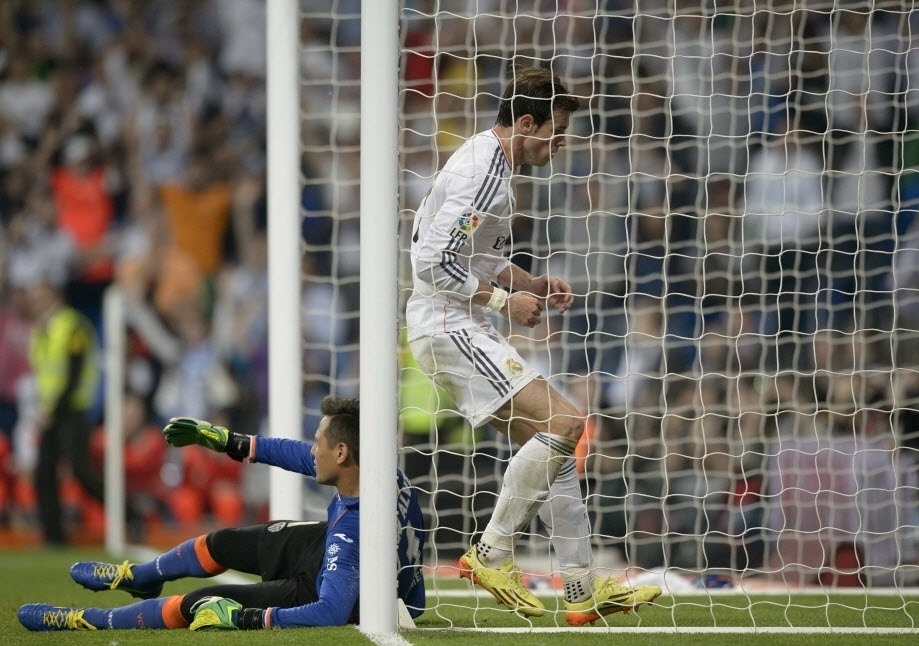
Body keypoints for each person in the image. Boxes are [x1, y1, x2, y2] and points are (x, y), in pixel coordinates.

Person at [405, 63, 661, 625]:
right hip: (448, 325)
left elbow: (478, 256)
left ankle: (579, 590)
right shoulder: (483, 172)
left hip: (455, 322)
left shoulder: (493, 163)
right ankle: (491, 551)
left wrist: (530, 283)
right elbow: (430, 261)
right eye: (557, 130)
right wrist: (502, 303)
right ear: (526, 122)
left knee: (557, 454)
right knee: (569, 424)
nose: (562, 142)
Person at [18, 395, 425, 631]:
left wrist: (247, 618)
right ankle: (137, 577)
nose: (311, 450)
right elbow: (287, 451)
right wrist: (224, 439)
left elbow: (331, 611)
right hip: (336, 551)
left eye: (318, 442)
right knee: (223, 542)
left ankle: (83, 619)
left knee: (200, 603)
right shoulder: (381, 472)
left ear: (341, 452)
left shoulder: (352, 533)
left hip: (329, 588)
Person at [24, 266, 103, 546]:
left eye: (40, 295)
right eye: (32, 296)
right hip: (48, 412)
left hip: (71, 410)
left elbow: (73, 373)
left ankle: (128, 514)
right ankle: (54, 537)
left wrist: (51, 411)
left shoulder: (72, 325)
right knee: (43, 473)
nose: (35, 301)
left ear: (54, 295)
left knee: (81, 471)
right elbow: (42, 377)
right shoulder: (40, 330)